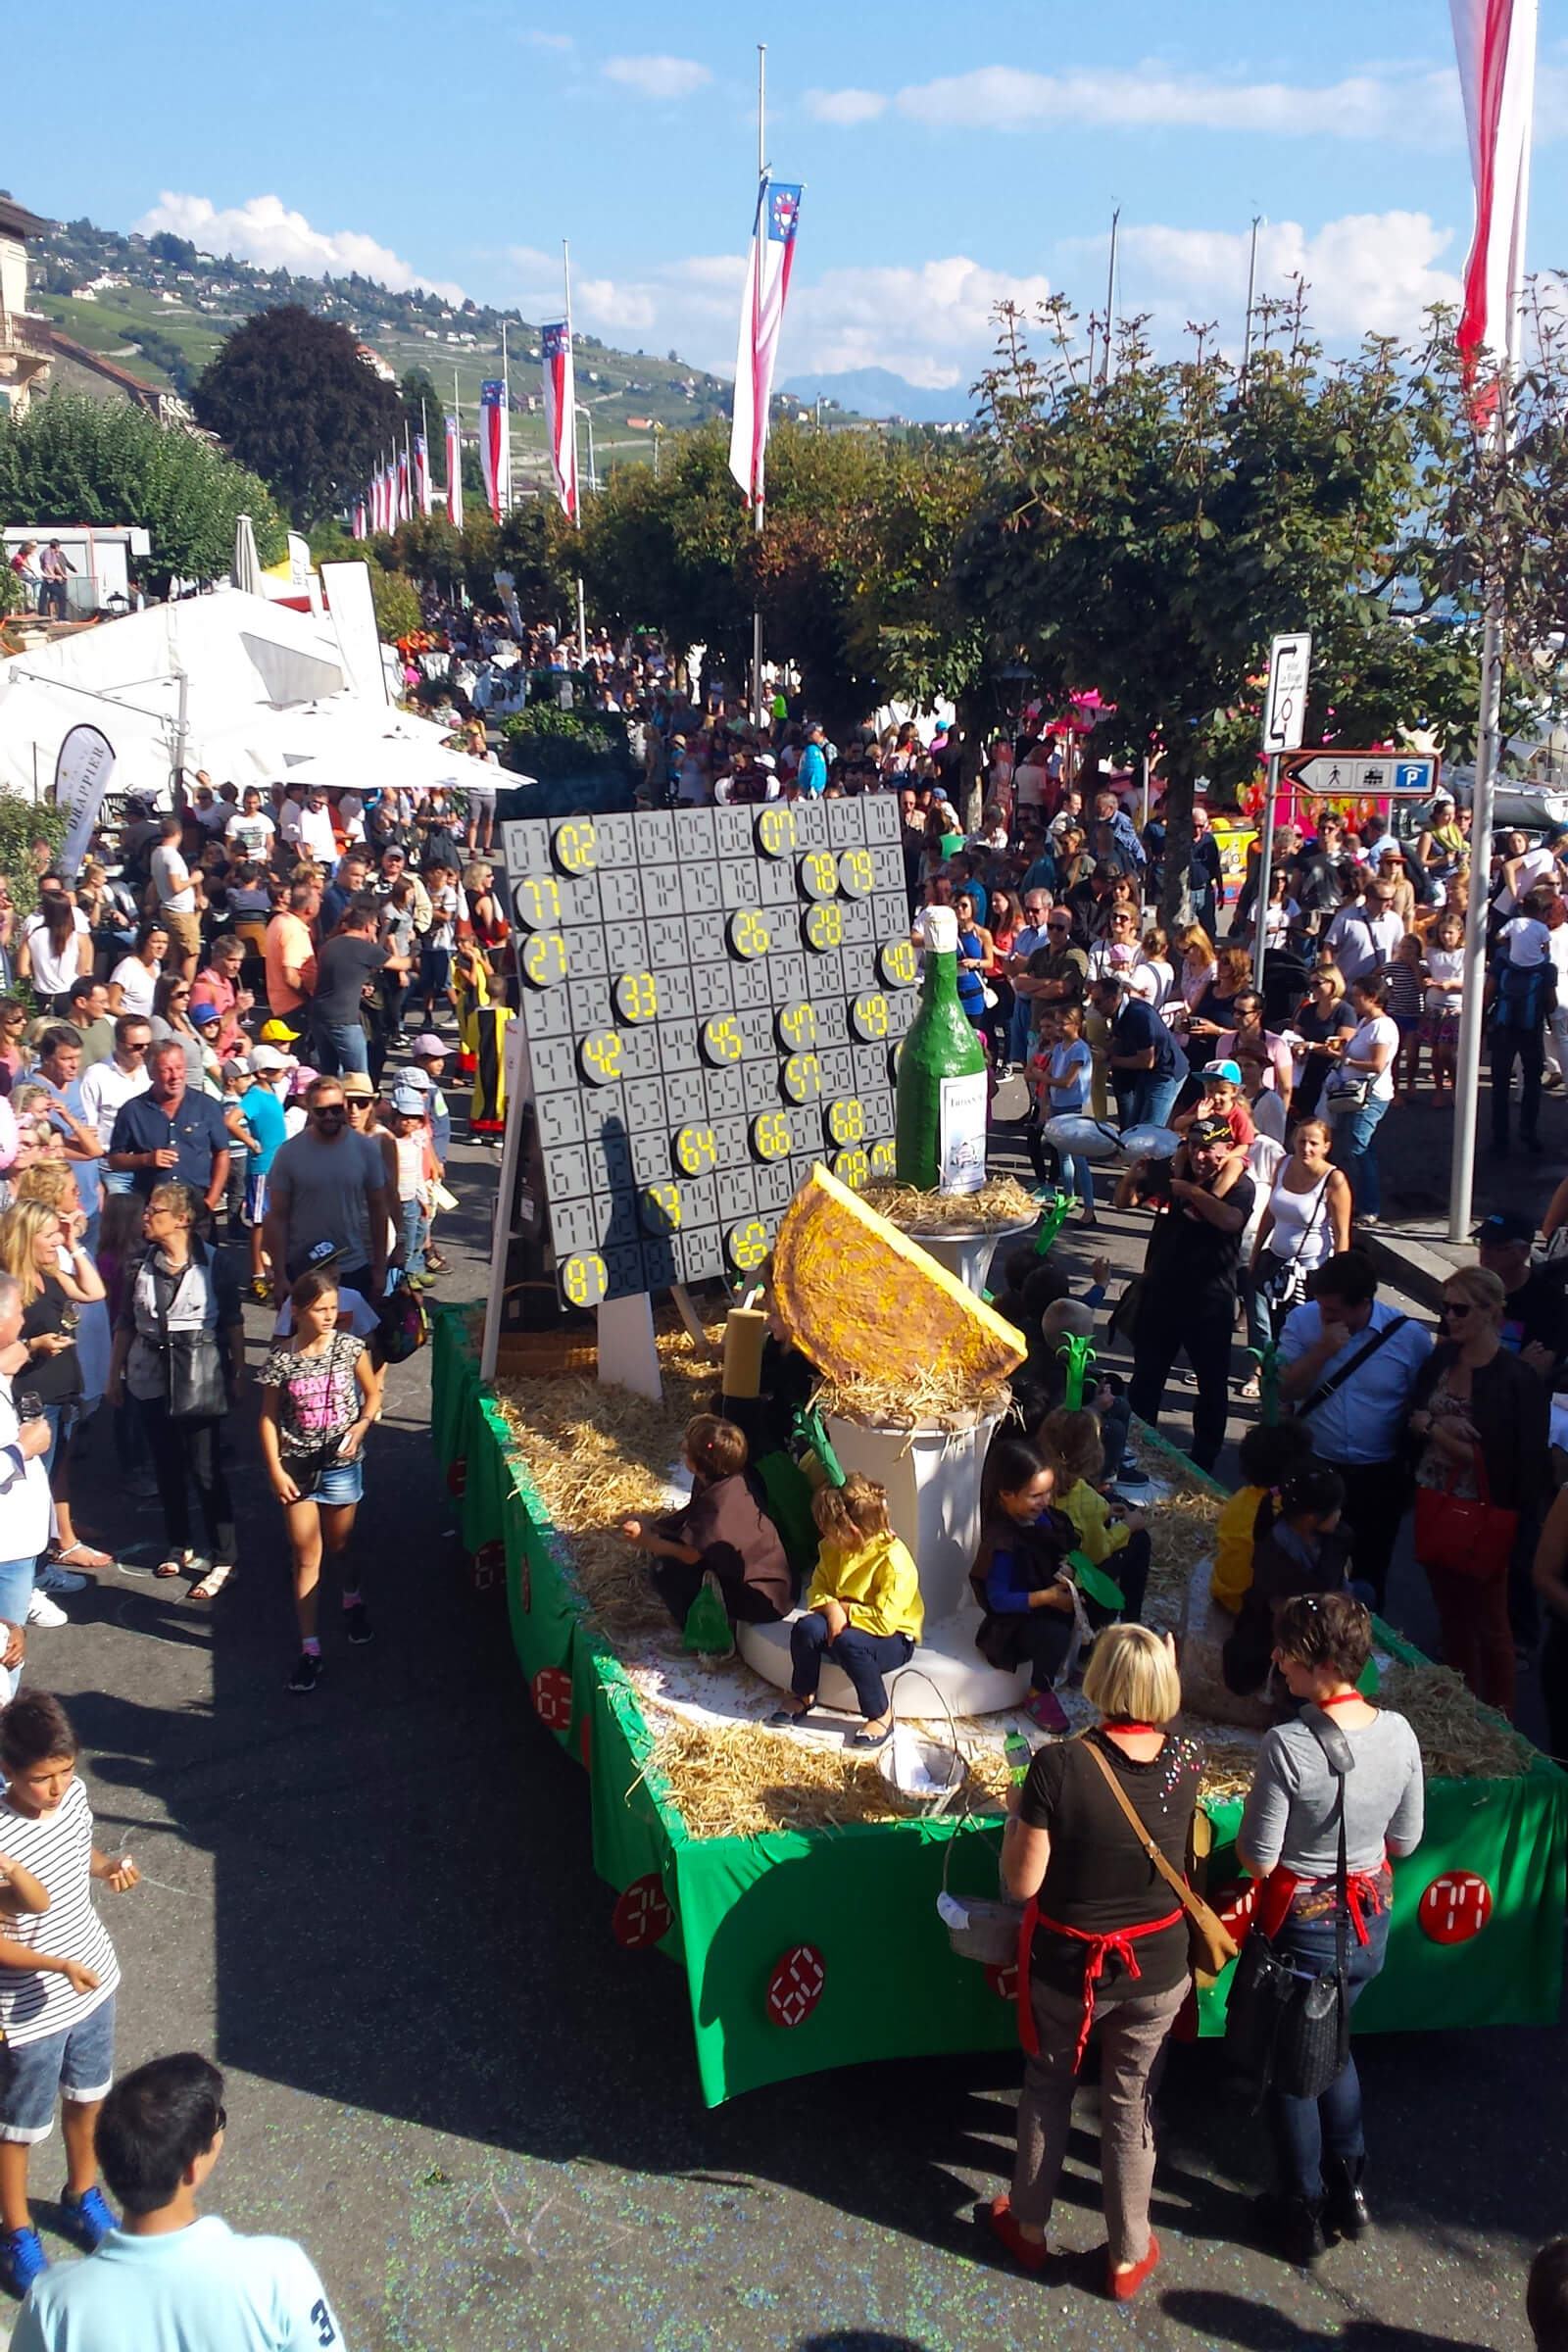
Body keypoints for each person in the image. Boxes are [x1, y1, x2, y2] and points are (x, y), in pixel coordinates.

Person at [993, 1624, 1200, 2300]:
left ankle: (1027, 2227)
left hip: (1070, 1966)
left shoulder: (1058, 1766)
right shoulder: (1186, 1760)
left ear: (1100, 1679)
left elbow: (1021, 1886)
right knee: (1130, 2098)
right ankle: (1127, 2253)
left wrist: (1013, 1816)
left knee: (1049, 2088)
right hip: (1157, 1968)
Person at [1236, 1593, 1424, 2266]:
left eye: (1285, 1651)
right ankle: (1353, 2191)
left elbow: (1259, 1857)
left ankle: (1301, 2205)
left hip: (1304, 1934)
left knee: (1293, 2071)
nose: (1276, 1661)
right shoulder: (1400, 1733)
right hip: (1368, 1925)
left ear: (1317, 1664)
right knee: (1336, 2046)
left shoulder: (1287, 1745)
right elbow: (1405, 1840)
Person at [0, 1690, 139, 2296]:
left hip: (92, 1983)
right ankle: (16, 2233)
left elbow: (75, 1846)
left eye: (64, 1772)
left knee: (88, 2099)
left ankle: (82, 2194)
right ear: (7, 1771)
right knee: (19, 2127)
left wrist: (106, 1866)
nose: (56, 1789)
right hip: (27, 2011)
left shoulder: (74, 1797)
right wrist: (55, 1964)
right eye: (40, 1779)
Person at [1408, 1264, 1548, 1714]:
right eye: (1445, 1307)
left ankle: (1499, 1716)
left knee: (1490, 1622)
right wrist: (1437, 1425)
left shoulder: (1515, 1378)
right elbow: (1412, 1414)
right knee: (1450, 1614)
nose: (1450, 1316)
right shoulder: (1441, 1359)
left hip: (1487, 1511)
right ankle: (1460, 1705)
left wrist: (1435, 1428)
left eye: (1461, 1308)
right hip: (1434, 1498)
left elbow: (1501, 1457)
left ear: (1491, 1313)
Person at [105, 1182, 243, 1596]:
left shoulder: (214, 1264)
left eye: (155, 1210)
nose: (146, 1216)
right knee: (165, 1464)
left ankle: (224, 1557)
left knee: (205, 1469)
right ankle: (178, 1543)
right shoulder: (138, 1265)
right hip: (150, 1374)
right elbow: (125, 1323)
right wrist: (115, 1376)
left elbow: (232, 1322)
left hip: (198, 1375)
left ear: (181, 1219)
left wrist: (237, 1374)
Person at [1277, 1251, 1432, 1614]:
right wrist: (1321, 1352)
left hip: (1378, 1475)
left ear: (1364, 1303)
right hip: (1316, 1466)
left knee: (1370, 1571)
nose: (1324, 1316)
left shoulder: (1408, 1337)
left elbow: (1418, 1400)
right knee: (1306, 1568)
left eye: (1333, 1310)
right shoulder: (1302, 1322)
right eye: (1321, 1306)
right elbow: (1284, 1389)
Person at [259, 1266, 381, 1694]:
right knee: (306, 1554)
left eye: (333, 1308)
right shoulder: (281, 1359)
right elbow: (268, 1417)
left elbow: (373, 1393)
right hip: (296, 1464)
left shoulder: (350, 1349)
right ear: (297, 1312)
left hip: (341, 1463)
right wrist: (275, 1468)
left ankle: (351, 1596)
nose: (329, 1316)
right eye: (320, 1309)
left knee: (341, 1545)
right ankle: (310, 1648)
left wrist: (361, 1426)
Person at [1124, 1117, 1254, 1474]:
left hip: (1209, 1303)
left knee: (1212, 1388)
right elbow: (1125, 1201)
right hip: (1161, 1296)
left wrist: (1191, 1191)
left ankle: (1203, 1461)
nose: (1201, 1155)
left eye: (1210, 1149)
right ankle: (1137, 1450)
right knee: (1147, 1379)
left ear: (1226, 1151)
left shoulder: (1240, 1186)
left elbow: (1229, 1221)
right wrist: (1132, 1176)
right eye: (1195, 1147)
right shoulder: (1171, 1171)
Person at [0, 1200, 110, 1597]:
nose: (54, 1242)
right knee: (28, 1488)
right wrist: (35, 1344)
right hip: (31, 1399)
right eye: (47, 1235)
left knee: (48, 1482)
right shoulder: (9, 1286)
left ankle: (37, 1569)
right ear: (25, 1237)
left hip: (64, 1392)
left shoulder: (52, 1272)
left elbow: (94, 1291)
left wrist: (72, 1243)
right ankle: (29, 1578)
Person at [768, 1474, 922, 1748]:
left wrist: (844, 1611)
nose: (824, 1537)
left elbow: (885, 1622)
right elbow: (818, 1586)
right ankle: (804, 1694)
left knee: (849, 1643)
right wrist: (830, 1609)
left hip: (892, 1637)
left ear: (850, 1532)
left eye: (828, 1531)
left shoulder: (894, 1562)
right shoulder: (833, 1549)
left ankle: (880, 1713)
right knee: (805, 1629)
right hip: (842, 1623)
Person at [621, 1414, 791, 1635]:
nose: (682, 1445)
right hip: (777, 1582)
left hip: (759, 1598)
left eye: (686, 1447)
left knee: (663, 1570)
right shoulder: (728, 1476)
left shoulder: (717, 1511)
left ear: (693, 1464)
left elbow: (691, 1555)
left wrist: (647, 1541)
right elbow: (692, 1516)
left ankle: (701, 1634)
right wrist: (655, 1526)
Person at [969, 1439, 1082, 1734]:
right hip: (1013, 1626)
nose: (1045, 1502)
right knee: (1054, 1633)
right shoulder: (1002, 1543)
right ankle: (1038, 1692)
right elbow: (998, 1599)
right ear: (1006, 1495)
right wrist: (1045, 1598)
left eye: (1048, 1493)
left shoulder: (1045, 1520)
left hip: (1048, 1600)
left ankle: (1081, 1658)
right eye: (1035, 1496)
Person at [1221, 1466, 1360, 1696]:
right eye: (1335, 1510)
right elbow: (1310, 1597)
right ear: (1310, 1518)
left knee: (1366, 1594)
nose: (1340, 1515)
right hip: (1288, 1628)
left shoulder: (1330, 1536)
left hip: (1323, 1617)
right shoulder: (1276, 1553)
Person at [263, 1077, 393, 1304]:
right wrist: (280, 1274)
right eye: (322, 1111)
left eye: (335, 1109)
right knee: (303, 1339)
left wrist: (380, 1269)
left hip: (353, 1265)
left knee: (356, 1338)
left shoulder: (366, 1150)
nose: (330, 1117)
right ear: (309, 1110)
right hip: (304, 1268)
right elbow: (277, 1216)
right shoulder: (289, 1153)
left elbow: (378, 1210)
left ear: (344, 1105)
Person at [1246, 1117, 1352, 1363]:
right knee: (1264, 1320)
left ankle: (1297, 1377)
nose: (1306, 1148)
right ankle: (1263, 1369)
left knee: (1301, 1331)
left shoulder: (1334, 1180)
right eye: (1301, 1141)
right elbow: (1270, 1214)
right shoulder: (1283, 1164)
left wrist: (1338, 1278)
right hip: (1274, 1261)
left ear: (1326, 1146)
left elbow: (1342, 1233)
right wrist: (1255, 1254)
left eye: (1314, 1143)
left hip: (1311, 1271)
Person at [1036, 1406, 1151, 1623]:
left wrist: (1105, 1511)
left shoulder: (1037, 1480)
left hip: (1043, 1572)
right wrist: (1128, 1526)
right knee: (1141, 1540)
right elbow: (1099, 1552)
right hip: (1075, 1586)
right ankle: (1131, 1621)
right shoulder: (1090, 1501)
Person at [107, 1041, 230, 1214]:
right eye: (166, 1070)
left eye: (179, 1068)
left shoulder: (207, 1106)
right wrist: (146, 1160)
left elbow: (222, 1153)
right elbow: (115, 1160)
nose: (175, 1076)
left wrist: (210, 1201)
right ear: (151, 1073)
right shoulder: (132, 1110)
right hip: (151, 1210)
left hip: (196, 1207)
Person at [1209, 1419, 1317, 1616]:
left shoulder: (1242, 1497)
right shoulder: (1291, 1514)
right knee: (1363, 1592)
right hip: (1254, 1608)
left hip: (1225, 1591)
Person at [1324, 972, 1397, 1226]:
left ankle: (1369, 1206)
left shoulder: (1382, 1026)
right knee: (1350, 1147)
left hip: (1369, 1096)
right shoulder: (1366, 1022)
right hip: (1351, 1091)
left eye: (1357, 996)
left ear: (1373, 997)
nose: (1353, 1001)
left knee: (1359, 1148)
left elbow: (1377, 1064)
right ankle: (1353, 1199)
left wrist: (1347, 1060)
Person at [1091, 973, 1188, 1131]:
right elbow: (1118, 1040)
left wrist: (1108, 1058)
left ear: (1113, 999)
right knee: (1133, 1127)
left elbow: (1146, 1061)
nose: (1095, 1007)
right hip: (1147, 1074)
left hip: (1165, 1074)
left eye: (1098, 1002)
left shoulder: (1139, 1016)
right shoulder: (1119, 1012)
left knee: (1147, 1132)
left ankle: (1153, 1155)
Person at [310, 896, 387, 1078]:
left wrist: (357, 987)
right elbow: (401, 964)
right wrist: (415, 946)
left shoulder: (329, 945)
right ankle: (359, 1101)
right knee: (358, 1075)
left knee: (330, 1072)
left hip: (322, 1015)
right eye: (375, 926)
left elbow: (339, 976)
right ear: (367, 925)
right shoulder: (361, 947)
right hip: (345, 1019)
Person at [77, 1017, 152, 1200]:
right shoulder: (97, 1075)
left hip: (149, 1164)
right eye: (137, 1046)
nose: (144, 1051)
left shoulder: (152, 1071)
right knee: (123, 1224)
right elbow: (89, 1124)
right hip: (114, 1168)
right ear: (119, 1044)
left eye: (149, 1045)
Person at [16, 895, 90, 1015]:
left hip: (42, 995)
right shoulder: (79, 937)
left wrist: (39, 971)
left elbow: (23, 971)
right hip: (70, 995)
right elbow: (83, 970)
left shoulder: (33, 936)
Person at [263, 879, 318, 1034]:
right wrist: (308, 999)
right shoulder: (293, 930)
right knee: (299, 1054)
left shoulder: (279, 920)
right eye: (319, 899)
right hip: (294, 1005)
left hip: (281, 1002)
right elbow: (290, 976)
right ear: (309, 909)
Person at [149, 818, 200, 980]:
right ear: (179, 833)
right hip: (180, 911)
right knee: (192, 953)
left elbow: (155, 883)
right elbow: (176, 886)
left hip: (168, 907)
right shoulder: (172, 856)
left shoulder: (156, 853)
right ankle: (184, 992)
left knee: (176, 955)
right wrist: (194, 879)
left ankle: (169, 992)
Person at [106, 922, 167, 1022]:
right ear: (144, 942)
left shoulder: (156, 964)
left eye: (165, 942)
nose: (161, 946)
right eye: (155, 941)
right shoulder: (127, 968)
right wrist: (139, 1020)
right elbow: (111, 1004)